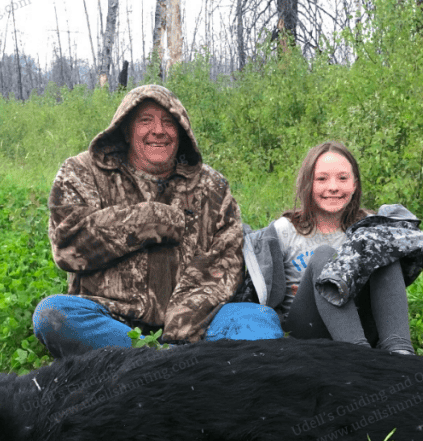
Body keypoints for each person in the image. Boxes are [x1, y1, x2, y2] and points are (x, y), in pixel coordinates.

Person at [33, 84, 276, 357]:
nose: (158, 130)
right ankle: (172, 364)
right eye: (145, 121)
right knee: (52, 314)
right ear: (125, 129)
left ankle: (158, 362)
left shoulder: (212, 186)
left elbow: (223, 265)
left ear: (182, 131)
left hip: (198, 324)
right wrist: (152, 219)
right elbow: (69, 246)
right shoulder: (82, 171)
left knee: (258, 322)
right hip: (112, 320)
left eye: (168, 122)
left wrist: (180, 331)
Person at [238, 141, 423, 354]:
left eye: (343, 178)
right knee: (324, 255)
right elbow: (264, 294)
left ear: (355, 184)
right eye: (322, 179)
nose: (333, 187)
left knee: (384, 245)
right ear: (308, 183)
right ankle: (358, 354)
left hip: (361, 319)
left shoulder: (369, 226)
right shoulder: (283, 230)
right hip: (308, 327)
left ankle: (399, 350)